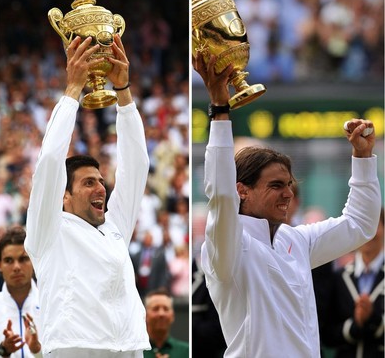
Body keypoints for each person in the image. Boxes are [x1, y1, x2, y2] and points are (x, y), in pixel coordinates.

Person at [193, 50, 381, 357]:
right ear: (242, 190)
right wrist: (219, 109)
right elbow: (221, 196)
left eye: (289, 185)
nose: (288, 194)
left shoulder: (297, 240)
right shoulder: (225, 244)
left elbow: (360, 225)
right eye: (276, 186)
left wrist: (362, 158)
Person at [24, 35, 151, 356]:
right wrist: (72, 92)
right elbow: (51, 161)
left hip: (130, 347)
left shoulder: (115, 227)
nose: (100, 188)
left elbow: (137, 165)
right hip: (74, 347)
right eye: (87, 183)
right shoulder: (48, 229)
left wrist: (123, 94)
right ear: (63, 197)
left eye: (100, 181)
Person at [319, 207, 384, 357]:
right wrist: (355, 325)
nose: (369, 233)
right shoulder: (339, 277)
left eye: (374, 225)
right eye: (363, 226)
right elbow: (327, 334)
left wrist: (373, 318)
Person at [0, 226, 42, 358]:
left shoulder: (50, 303)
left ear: (33, 261)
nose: (16, 267)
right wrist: (4, 351)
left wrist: (37, 350)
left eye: (23, 259)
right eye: (8, 260)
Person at [143, 287, 189, 358]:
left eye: (166, 309)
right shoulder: (135, 351)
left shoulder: (186, 351)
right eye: (155, 308)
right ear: (145, 315)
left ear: (173, 315)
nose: (161, 314)